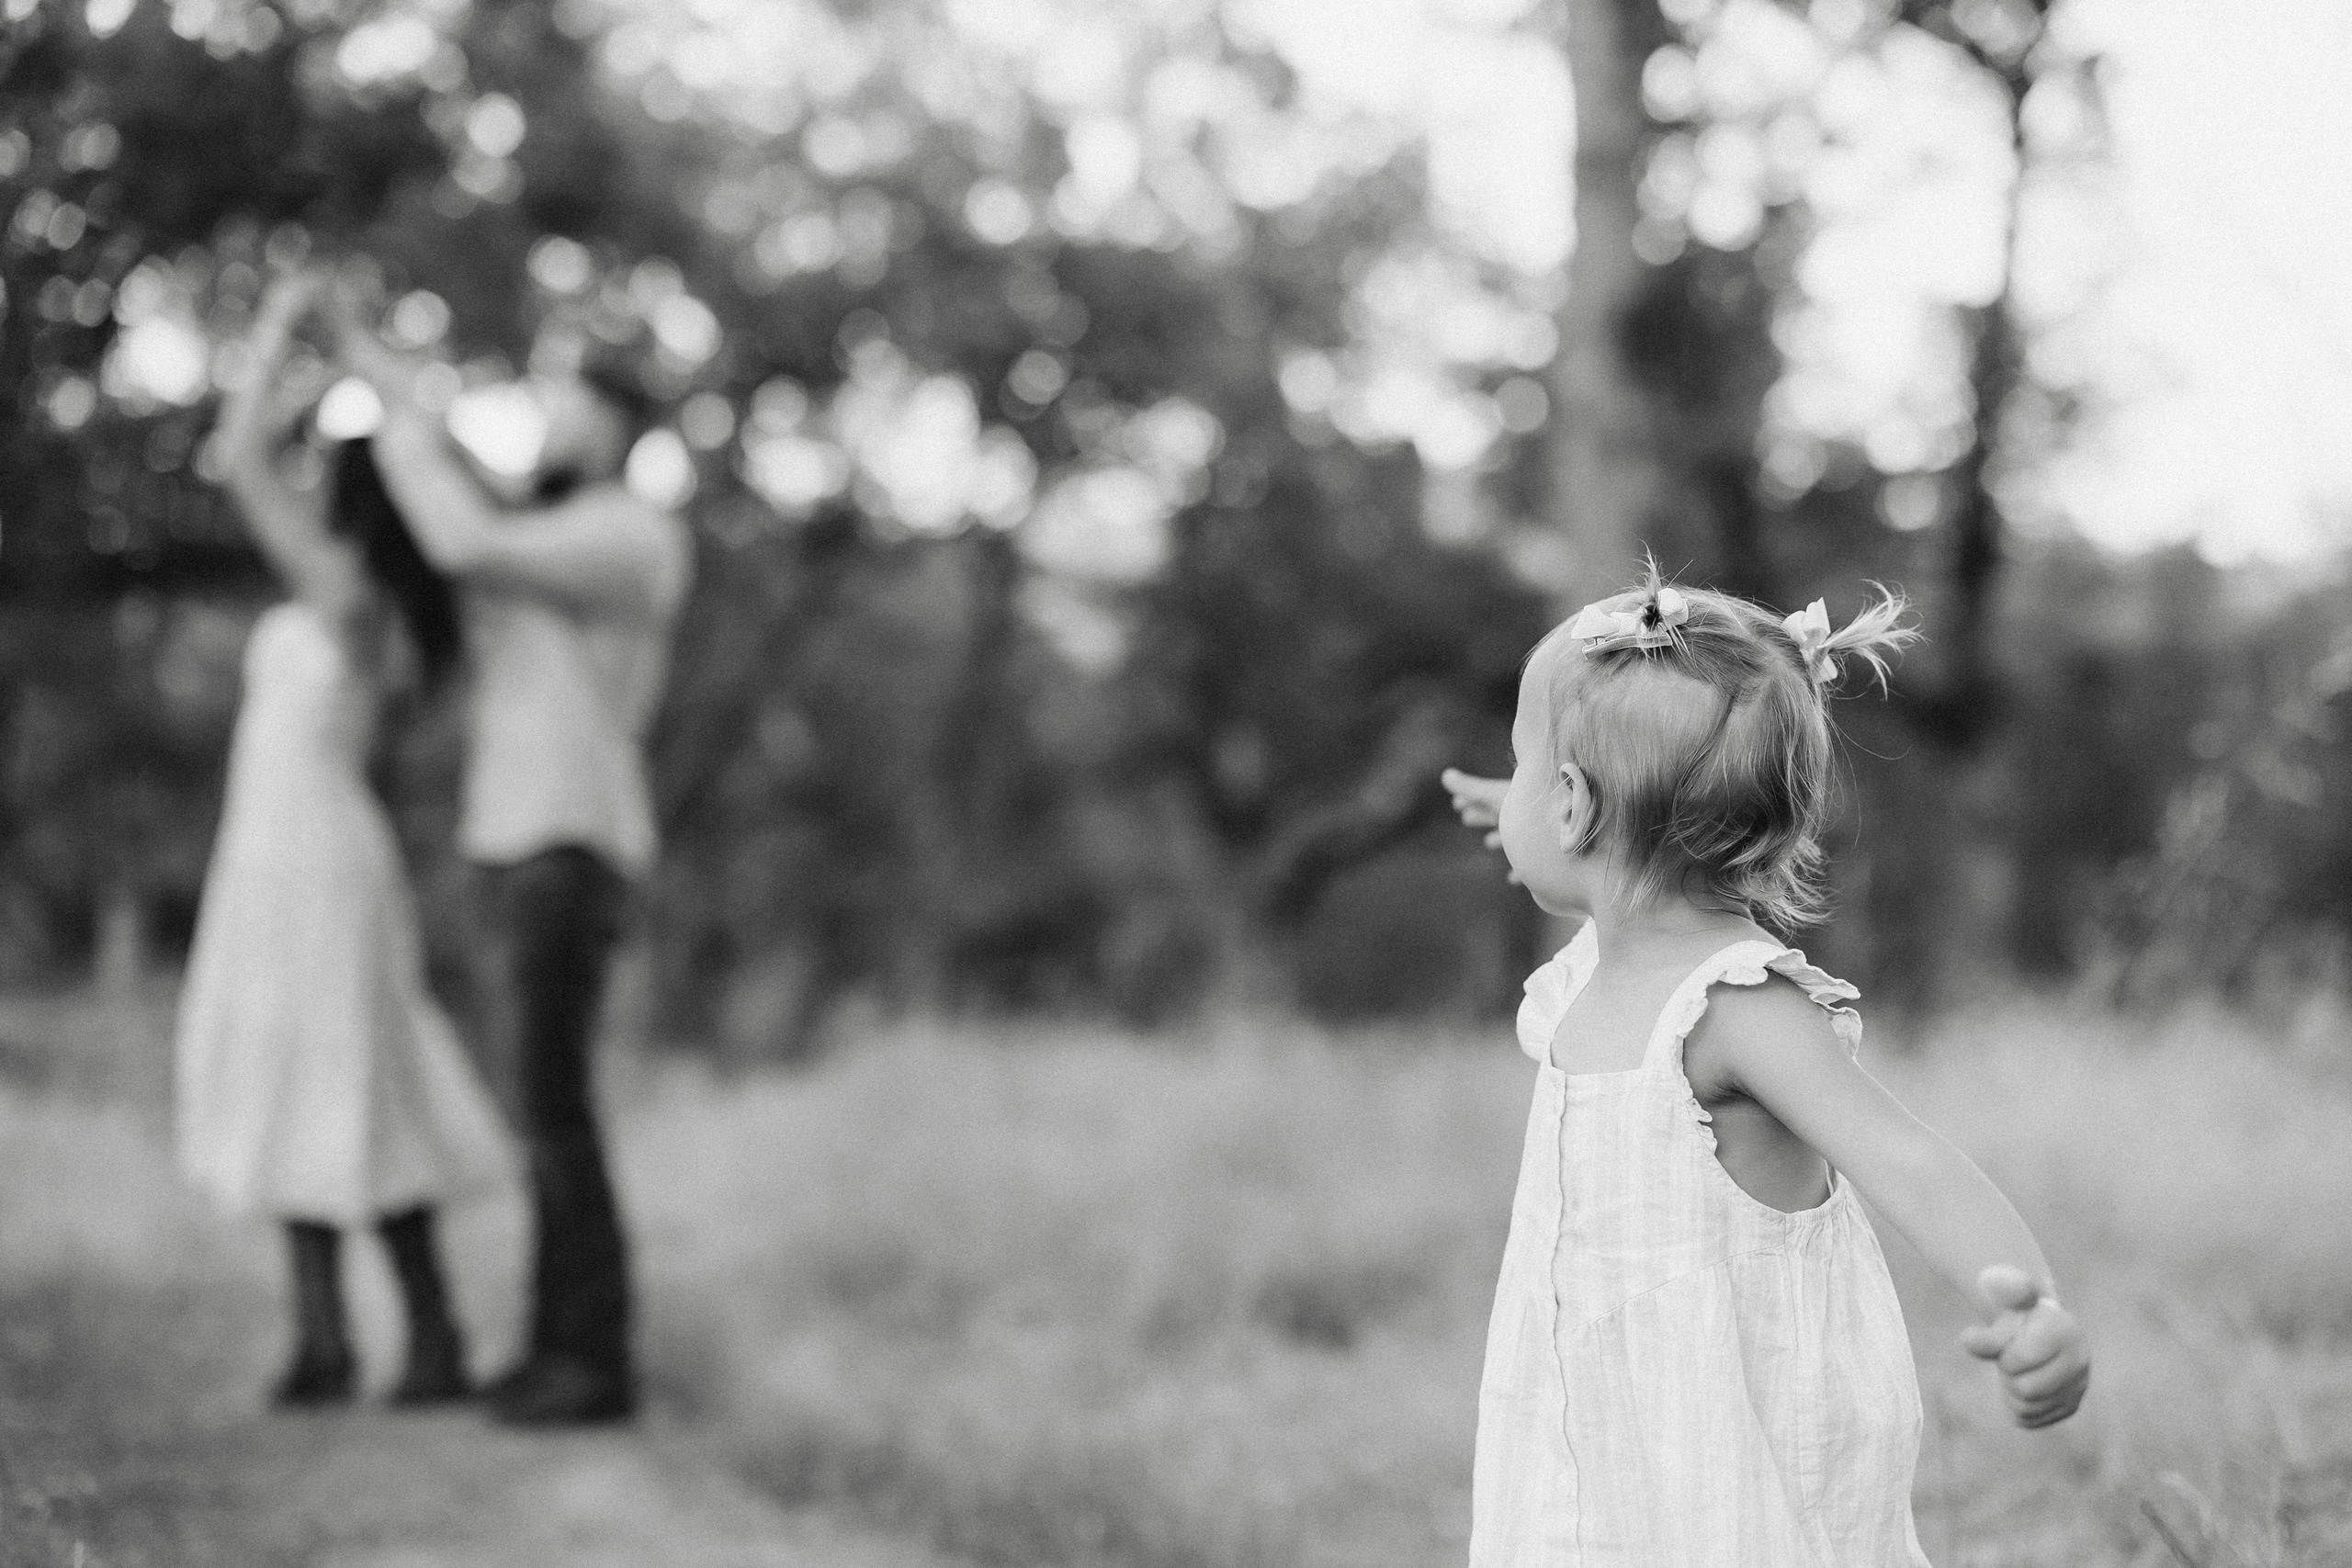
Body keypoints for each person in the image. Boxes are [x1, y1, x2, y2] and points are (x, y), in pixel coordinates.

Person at [1439, 572, 2088, 1565]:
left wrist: (2030, 1304)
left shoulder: (1735, 1005)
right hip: (1593, 1443)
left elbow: (1906, 1160)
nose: (1511, 785)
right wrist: (1525, 809)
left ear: (1570, 805)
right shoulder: (1596, 972)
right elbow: (1605, 866)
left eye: (1521, 765)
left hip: (1723, 1462)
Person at [332, 303, 693, 1426]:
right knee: (537, 1108)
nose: (554, 416)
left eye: (576, 399)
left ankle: (593, 1363)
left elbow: (465, 537)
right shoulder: (556, 530)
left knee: (555, 1109)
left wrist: (396, 438)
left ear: (621, 423)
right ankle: (554, 1352)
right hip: (515, 844)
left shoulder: (627, 534)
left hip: (566, 843)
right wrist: (370, 364)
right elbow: (461, 475)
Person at [177, 272, 513, 1409]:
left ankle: (428, 1338)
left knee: (351, 1084)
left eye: (325, 466)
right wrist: (330, 361)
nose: (304, 477)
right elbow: (264, 456)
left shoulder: (347, 592)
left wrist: (295, 338)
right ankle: (330, 1340)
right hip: (273, 857)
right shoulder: (359, 595)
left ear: (356, 496)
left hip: (312, 861)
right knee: (299, 1080)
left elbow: (236, 457)